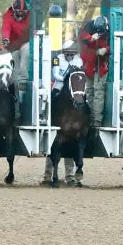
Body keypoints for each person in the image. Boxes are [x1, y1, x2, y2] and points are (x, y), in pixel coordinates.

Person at [42, 40, 83, 185]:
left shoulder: (79, 60)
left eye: (72, 52)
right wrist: (66, 78)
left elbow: (79, 74)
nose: (70, 55)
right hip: (59, 86)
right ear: (64, 52)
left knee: (84, 102)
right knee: (49, 100)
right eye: (68, 53)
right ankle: (45, 118)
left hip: (74, 88)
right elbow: (55, 74)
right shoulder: (56, 59)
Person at [1, 0, 31, 120]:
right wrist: (5, 38)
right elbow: (6, 28)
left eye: (22, 13)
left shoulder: (30, 17)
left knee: (26, 48)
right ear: (13, 11)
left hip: (26, 45)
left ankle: (23, 77)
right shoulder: (8, 16)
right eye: (17, 13)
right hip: (13, 47)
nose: (19, 16)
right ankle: (17, 113)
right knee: (15, 80)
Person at [79, 15, 110, 129]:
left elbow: (116, 45)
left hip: (101, 66)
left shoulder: (111, 31)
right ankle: (92, 117)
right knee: (90, 92)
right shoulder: (88, 28)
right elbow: (83, 39)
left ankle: (96, 120)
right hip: (89, 65)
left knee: (98, 92)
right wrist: (92, 38)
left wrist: (105, 50)